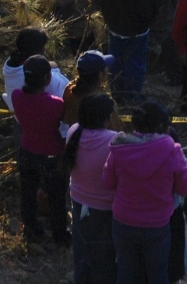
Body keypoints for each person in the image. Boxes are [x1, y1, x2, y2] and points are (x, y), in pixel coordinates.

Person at [102, 99, 187, 284]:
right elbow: (185, 188)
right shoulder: (172, 151)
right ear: (162, 125)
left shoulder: (119, 148)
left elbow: (107, 183)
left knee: (126, 273)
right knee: (158, 275)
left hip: (123, 221)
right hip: (157, 224)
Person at [84, 0, 155, 100]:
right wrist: (145, 24)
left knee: (114, 63)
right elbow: (149, 9)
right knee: (135, 66)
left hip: (114, 26)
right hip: (138, 32)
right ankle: (132, 97)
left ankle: (116, 95)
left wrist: (102, 6)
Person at [10, 55, 69, 244]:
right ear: (47, 79)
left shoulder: (16, 96)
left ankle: (31, 228)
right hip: (51, 153)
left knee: (28, 192)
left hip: (27, 150)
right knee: (57, 197)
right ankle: (60, 235)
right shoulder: (56, 104)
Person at [63, 93, 120, 284]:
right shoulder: (115, 140)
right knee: (104, 256)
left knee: (82, 251)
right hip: (106, 207)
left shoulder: (73, 132)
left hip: (79, 201)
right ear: (106, 117)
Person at [61, 51, 124, 132]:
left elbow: (67, 119)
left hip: (76, 140)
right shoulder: (104, 102)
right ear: (100, 74)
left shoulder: (69, 91)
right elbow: (116, 131)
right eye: (105, 68)